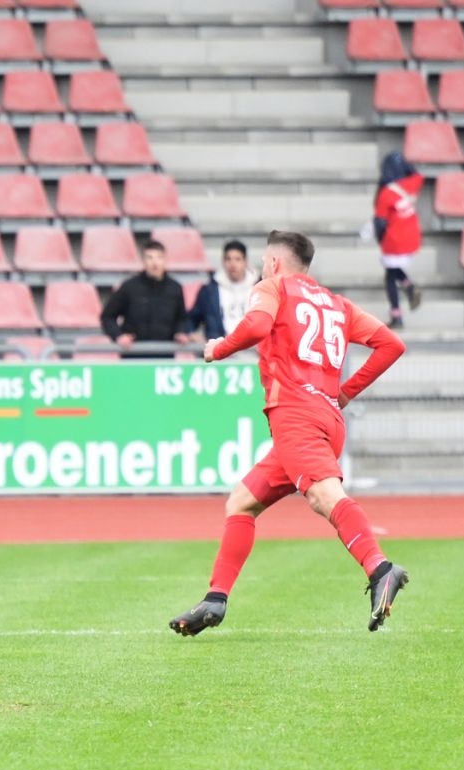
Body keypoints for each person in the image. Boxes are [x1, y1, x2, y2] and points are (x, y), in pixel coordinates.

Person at [170, 231, 409, 637]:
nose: (262, 268)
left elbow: (258, 325)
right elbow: (391, 344)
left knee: (323, 495)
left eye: (264, 261)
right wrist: (346, 392)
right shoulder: (337, 304)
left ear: (276, 263)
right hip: (326, 417)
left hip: (296, 416)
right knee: (242, 502)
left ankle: (380, 568)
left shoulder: (272, 286)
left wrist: (218, 348)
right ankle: (216, 598)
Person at [100, 239, 195, 357]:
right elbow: (107, 316)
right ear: (143, 261)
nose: (155, 263)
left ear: (165, 260)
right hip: (133, 355)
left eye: (159, 257)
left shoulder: (175, 288)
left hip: (165, 356)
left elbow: (181, 318)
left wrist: (180, 332)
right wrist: (118, 336)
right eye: (149, 258)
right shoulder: (129, 287)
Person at [372, 151, 424, 327]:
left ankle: (397, 314)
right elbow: (417, 173)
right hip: (412, 237)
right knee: (392, 271)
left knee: (389, 276)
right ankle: (408, 288)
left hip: (395, 240)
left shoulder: (385, 194)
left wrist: (381, 241)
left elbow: (380, 222)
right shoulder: (413, 183)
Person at [185, 239, 257, 341]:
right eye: (228, 259)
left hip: (254, 353)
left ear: (245, 262)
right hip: (221, 353)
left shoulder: (261, 289)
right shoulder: (209, 291)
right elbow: (191, 320)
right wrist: (192, 334)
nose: (233, 264)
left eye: (237, 259)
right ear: (223, 262)